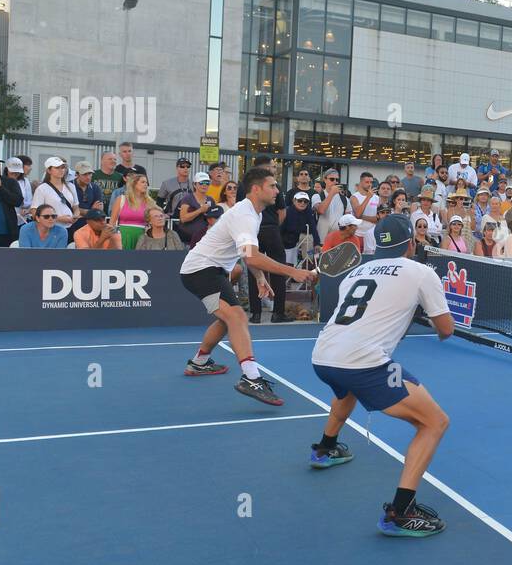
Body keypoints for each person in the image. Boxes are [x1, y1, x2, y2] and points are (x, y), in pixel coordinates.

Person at [309, 214, 455, 535]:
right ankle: (400, 512)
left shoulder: (355, 273)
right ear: (412, 243)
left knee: (345, 390)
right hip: (363, 362)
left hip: (323, 355)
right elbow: (446, 329)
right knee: (435, 422)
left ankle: (325, 447)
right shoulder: (421, 272)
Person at [178, 167, 319, 404]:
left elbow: (247, 254)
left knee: (227, 319)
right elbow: (252, 256)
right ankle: (251, 378)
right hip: (200, 270)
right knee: (237, 317)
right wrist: (293, 270)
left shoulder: (256, 213)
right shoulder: (245, 215)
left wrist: (260, 277)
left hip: (212, 269)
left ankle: (199, 362)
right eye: (272, 185)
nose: (277, 190)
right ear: (256, 189)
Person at [250, 156, 289, 323]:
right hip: (269, 229)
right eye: (272, 167)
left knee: (253, 269)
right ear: (264, 168)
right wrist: (272, 226)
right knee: (278, 270)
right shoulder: (274, 186)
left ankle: (256, 314)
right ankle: (278, 313)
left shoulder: (245, 186)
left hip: (252, 230)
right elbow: (282, 212)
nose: (274, 169)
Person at [111, 172, 156, 250]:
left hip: (143, 237)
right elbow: (112, 223)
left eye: (146, 182)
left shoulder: (150, 202)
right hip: (123, 237)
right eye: (143, 182)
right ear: (134, 184)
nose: (146, 184)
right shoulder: (121, 199)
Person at [32, 157, 79, 230]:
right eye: (57, 168)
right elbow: (35, 212)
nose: (61, 170)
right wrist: (58, 219)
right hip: (50, 228)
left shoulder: (71, 186)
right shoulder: (42, 189)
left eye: (63, 167)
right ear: (49, 170)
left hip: (71, 227)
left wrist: (75, 217)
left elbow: (76, 207)